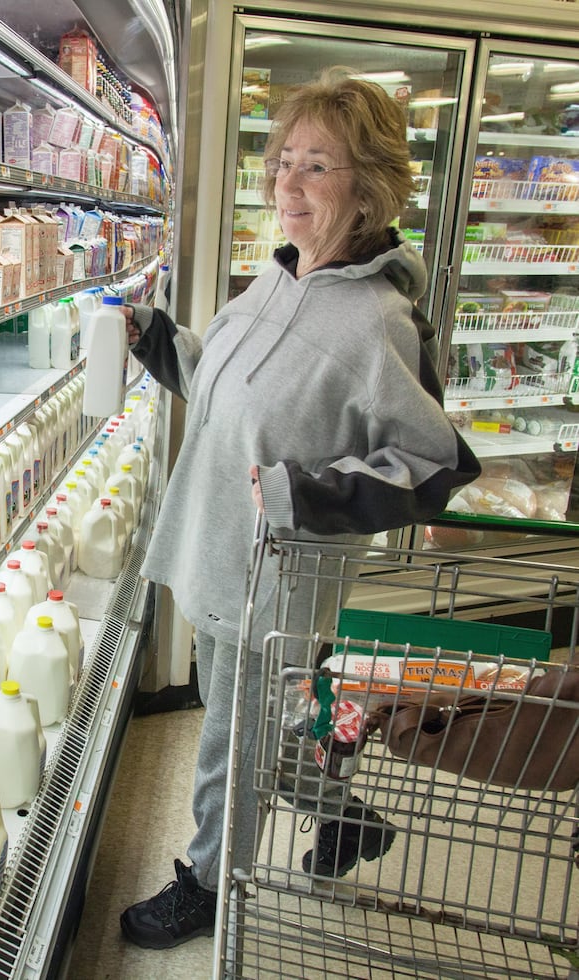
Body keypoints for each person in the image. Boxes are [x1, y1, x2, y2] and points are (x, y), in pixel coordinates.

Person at [118, 67, 481, 950]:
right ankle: (345, 816)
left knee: (229, 741)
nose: (288, 181)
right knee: (248, 717)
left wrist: (306, 492)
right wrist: (160, 343)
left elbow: (435, 461)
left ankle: (208, 881)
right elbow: (228, 392)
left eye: (316, 165)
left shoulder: (378, 323)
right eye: (284, 160)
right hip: (217, 546)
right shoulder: (277, 278)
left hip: (275, 572)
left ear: (369, 188)